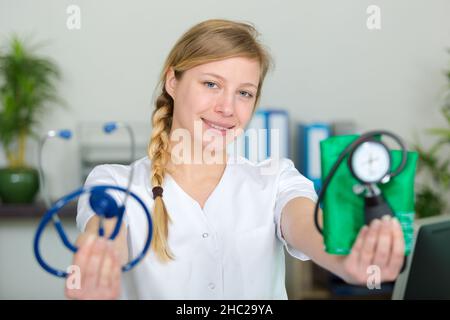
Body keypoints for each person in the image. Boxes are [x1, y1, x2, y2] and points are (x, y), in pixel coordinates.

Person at [65, 19, 405, 300]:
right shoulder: (113, 181)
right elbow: (107, 229)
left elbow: (307, 227)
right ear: (173, 81)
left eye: (244, 92)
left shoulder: (275, 179)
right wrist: (100, 258)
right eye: (211, 84)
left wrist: (349, 262)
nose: (227, 108)